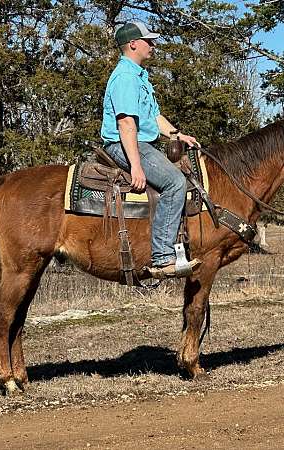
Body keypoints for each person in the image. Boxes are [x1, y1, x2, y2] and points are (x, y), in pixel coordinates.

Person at [101, 22, 202, 279]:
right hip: (125, 145)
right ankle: (163, 257)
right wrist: (135, 165)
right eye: (149, 40)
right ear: (133, 44)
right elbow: (126, 124)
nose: (153, 45)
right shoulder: (125, 77)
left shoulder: (138, 76)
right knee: (175, 182)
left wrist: (177, 135)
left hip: (139, 142)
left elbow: (153, 117)